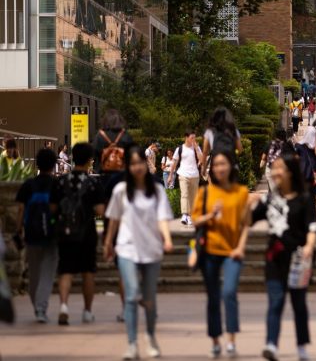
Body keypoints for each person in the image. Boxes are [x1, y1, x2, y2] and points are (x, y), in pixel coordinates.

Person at [104, 147, 173, 359]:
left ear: (146, 164)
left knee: (150, 299)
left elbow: (162, 219)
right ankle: (132, 344)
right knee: (132, 295)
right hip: (126, 249)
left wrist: (168, 239)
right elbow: (114, 219)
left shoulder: (157, 190)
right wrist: (108, 243)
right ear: (128, 167)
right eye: (133, 164)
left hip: (151, 250)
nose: (137, 167)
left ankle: (150, 337)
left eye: (140, 163)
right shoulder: (121, 191)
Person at [252, 151, 316, 361]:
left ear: (290, 172)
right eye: (274, 168)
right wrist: (247, 203)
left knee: (298, 304)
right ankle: (271, 344)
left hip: (299, 259)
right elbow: (248, 221)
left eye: (280, 167)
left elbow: (313, 227)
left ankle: (301, 346)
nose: (275, 172)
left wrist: (309, 246)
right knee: (276, 301)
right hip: (275, 258)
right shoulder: (270, 198)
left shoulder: (305, 198)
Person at [192, 150, 250, 359]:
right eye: (215, 165)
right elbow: (195, 220)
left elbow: (246, 225)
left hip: (232, 252)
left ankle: (232, 339)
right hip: (209, 251)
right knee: (213, 297)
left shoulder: (241, 192)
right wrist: (210, 215)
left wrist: (241, 247)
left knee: (229, 292)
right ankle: (216, 339)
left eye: (223, 164)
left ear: (231, 166)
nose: (219, 168)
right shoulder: (205, 192)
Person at [50, 142, 106, 326]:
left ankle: (64, 306)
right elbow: (100, 209)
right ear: (90, 159)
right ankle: (87, 312)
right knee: (88, 271)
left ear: (73, 157)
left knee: (65, 270)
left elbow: (52, 208)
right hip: (86, 231)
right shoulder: (92, 183)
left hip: (65, 231)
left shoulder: (60, 181)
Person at [15, 148, 59, 323]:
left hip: (31, 234)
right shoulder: (57, 185)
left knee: (34, 272)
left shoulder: (28, 185)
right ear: (54, 164)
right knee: (47, 273)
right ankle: (41, 308)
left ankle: (37, 306)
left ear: (37, 164)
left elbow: (20, 209)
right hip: (52, 234)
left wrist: (19, 229)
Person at [168, 130, 203, 226]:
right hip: (183, 174)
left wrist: (196, 149)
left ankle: (191, 216)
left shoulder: (197, 148)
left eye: (194, 138)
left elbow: (201, 160)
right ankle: (184, 214)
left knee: (193, 197)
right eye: (192, 138)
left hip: (194, 175)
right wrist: (170, 175)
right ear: (186, 137)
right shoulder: (180, 149)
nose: (193, 140)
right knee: (184, 194)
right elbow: (174, 163)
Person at [203, 108, 243, 172]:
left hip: (216, 163)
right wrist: (233, 152)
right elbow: (240, 149)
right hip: (230, 163)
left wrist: (204, 168)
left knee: (214, 180)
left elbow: (205, 151)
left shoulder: (209, 131)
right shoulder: (233, 130)